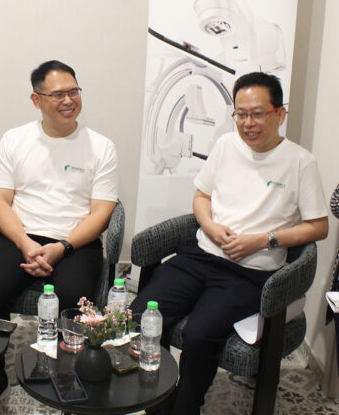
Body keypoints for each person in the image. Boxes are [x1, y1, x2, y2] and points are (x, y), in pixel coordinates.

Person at [130, 72, 329, 414]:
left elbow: (318, 226)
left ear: (280, 114)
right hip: (201, 256)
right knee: (141, 315)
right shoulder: (225, 145)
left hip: (250, 272)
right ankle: (154, 400)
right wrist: (209, 225)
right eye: (241, 114)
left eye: (258, 114)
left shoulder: (300, 162)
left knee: (199, 335)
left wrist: (265, 240)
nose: (248, 123)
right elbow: (201, 197)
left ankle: (185, 408)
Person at [0, 60, 118, 415]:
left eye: (74, 91)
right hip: (21, 234)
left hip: (74, 241)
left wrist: (62, 247)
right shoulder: (15, 139)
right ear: (36, 100)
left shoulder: (101, 147)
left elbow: (101, 213)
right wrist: (25, 243)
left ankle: (67, 375)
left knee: (73, 299)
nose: (69, 100)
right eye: (58, 94)